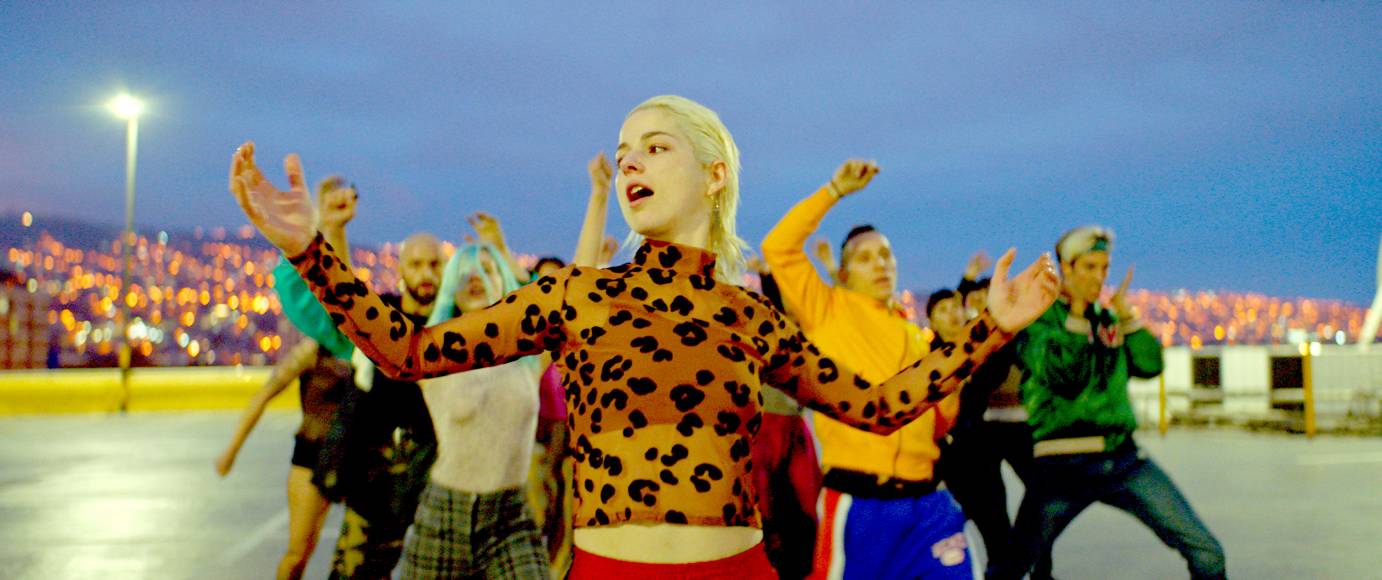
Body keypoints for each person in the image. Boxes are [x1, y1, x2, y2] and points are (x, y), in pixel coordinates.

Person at [228, 94, 1061, 578]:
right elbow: (406, 351)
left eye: (654, 147)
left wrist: (993, 326)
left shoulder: (748, 314)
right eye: (624, 151)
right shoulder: (576, 297)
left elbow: (880, 407)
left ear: (714, 172)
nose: (630, 163)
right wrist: (310, 251)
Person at [763, 164, 977, 578]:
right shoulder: (827, 310)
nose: (879, 263)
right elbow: (780, 247)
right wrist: (835, 190)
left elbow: (937, 425)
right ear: (843, 275)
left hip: (929, 502)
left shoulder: (917, 337)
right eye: (864, 258)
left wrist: (952, 380)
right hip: (861, 503)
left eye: (885, 254)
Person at [991, 226, 1226, 580]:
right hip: (1060, 465)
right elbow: (1063, 378)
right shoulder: (1039, 321)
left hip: (1122, 458)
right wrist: (1076, 315)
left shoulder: (1107, 319)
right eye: (1089, 267)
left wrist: (1126, 317)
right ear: (1066, 268)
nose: (1099, 277)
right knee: (1012, 568)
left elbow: (1150, 366)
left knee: (1207, 552)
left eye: (1104, 268)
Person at [277, 229, 444, 580]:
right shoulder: (382, 316)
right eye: (416, 264)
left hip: (434, 482)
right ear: (401, 270)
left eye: (434, 264)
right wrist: (334, 229)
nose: (426, 274)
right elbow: (342, 296)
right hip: (375, 485)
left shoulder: (454, 329)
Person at [214, 176, 358, 580]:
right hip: (312, 455)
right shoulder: (312, 351)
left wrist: (336, 229)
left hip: (358, 455)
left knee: (356, 557)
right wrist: (231, 451)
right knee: (298, 553)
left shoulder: (363, 347)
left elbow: (347, 294)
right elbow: (263, 396)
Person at [928, 285, 1049, 578]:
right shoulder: (924, 360)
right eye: (942, 310)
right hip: (942, 461)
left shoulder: (977, 354)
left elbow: (1001, 359)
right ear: (931, 321)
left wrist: (1004, 321)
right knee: (940, 536)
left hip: (981, 457)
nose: (952, 314)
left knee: (999, 536)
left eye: (955, 307)